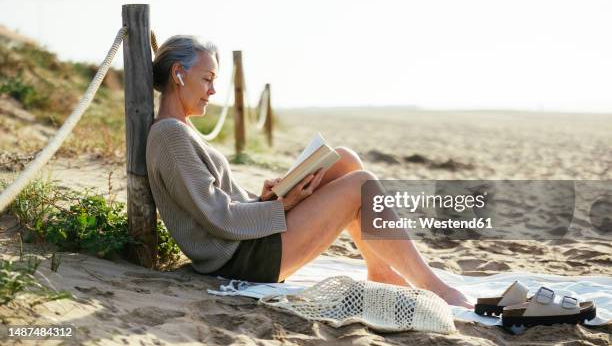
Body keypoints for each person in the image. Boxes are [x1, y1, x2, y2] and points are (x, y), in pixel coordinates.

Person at [145, 35, 471, 308]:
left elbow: (216, 203)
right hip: (241, 260)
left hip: (245, 244)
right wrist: (279, 206)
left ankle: (381, 271)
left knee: (343, 159)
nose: (212, 91)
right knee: (361, 185)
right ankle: (436, 290)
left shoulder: (179, 130)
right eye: (207, 79)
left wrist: (264, 198)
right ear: (178, 74)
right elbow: (220, 219)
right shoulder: (171, 135)